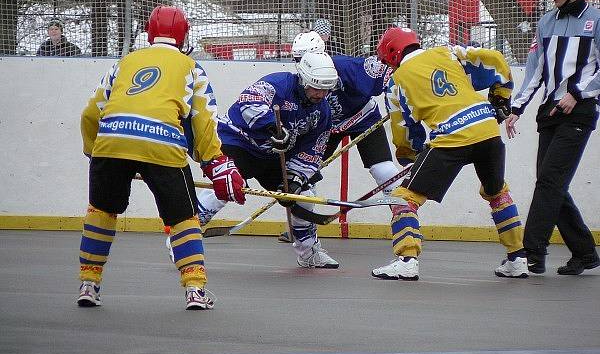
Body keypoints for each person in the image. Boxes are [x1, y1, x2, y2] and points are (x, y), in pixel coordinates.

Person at [77, 5, 246, 310]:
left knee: (101, 212)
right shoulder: (191, 67)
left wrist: (94, 149)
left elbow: (92, 110)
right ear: (185, 35)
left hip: (112, 141)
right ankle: (194, 289)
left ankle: (89, 284)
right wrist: (214, 163)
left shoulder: (125, 62)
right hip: (163, 145)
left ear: (150, 32)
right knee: (184, 219)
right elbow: (204, 120)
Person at [372, 26, 528, 280]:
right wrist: (500, 98)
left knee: (403, 197)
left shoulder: (396, 82)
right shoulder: (447, 52)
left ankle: (406, 260)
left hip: (450, 138)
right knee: (496, 192)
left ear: (392, 54)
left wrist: (410, 157)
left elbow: (404, 131)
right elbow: (496, 60)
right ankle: (518, 258)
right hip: (487, 129)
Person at [174, 51, 340, 268]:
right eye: (316, 87)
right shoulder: (278, 83)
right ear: (304, 79)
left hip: (273, 156)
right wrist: (272, 126)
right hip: (239, 141)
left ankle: (308, 252)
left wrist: (296, 177)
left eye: (326, 89)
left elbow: (314, 149)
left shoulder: (323, 111)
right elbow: (248, 102)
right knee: (227, 183)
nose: (321, 94)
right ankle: (181, 242)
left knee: (303, 195)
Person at [505, 0, 600, 276]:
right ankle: (585, 253)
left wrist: (579, 93)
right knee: (551, 182)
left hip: (580, 110)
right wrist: (516, 107)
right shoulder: (545, 22)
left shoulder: (596, 20)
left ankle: (531, 250)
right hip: (550, 110)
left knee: (549, 181)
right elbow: (536, 70)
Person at [276, 30, 404, 243]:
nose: (302, 64)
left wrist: (402, 99)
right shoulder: (297, 82)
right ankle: (301, 227)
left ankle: (405, 223)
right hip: (325, 126)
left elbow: (388, 75)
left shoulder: (345, 66)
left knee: (384, 169)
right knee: (302, 171)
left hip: (363, 118)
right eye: (297, 60)